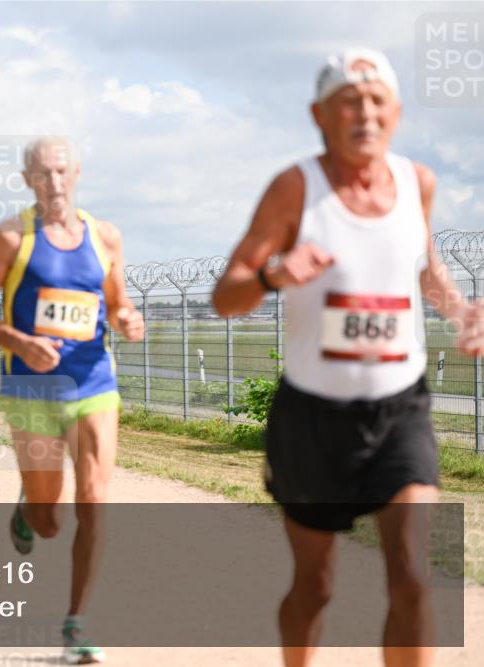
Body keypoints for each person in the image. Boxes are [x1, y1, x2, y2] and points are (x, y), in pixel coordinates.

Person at [212, 48, 484, 667]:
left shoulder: (419, 183)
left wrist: (462, 311)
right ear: (320, 115)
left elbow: (425, 269)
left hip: (400, 408)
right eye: (348, 103)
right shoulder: (294, 190)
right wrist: (277, 275)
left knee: (415, 575)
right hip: (313, 418)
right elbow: (227, 296)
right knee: (316, 586)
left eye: (377, 101)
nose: (365, 113)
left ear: (397, 113)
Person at [0, 136, 144, 665]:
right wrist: (20, 342)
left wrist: (129, 318)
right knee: (50, 519)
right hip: (31, 387)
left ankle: (77, 624)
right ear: (27, 181)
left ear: (78, 173)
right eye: (43, 174)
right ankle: (28, 511)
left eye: (62, 171)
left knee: (93, 500)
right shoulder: (9, 238)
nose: (55, 183)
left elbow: (116, 303)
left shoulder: (105, 236)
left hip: (93, 384)